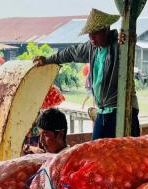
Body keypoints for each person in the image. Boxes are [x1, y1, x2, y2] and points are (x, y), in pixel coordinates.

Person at [33, 8, 140, 140]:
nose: (91, 38)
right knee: (95, 152)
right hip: (103, 112)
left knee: (128, 153)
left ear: (106, 29)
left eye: (95, 33)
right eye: (89, 34)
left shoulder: (119, 44)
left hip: (123, 109)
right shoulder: (91, 47)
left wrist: (129, 38)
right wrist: (47, 60)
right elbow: (70, 53)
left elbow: (129, 41)